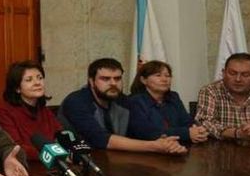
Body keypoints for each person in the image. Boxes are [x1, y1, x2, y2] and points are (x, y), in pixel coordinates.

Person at [58, 58, 187, 154]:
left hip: (116, 162)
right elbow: (101, 140)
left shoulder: (122, 100)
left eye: (117, 78)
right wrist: (154, 146)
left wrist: (167, 143)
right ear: (91, 81)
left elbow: (141, 130)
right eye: (105, 79)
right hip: (80, 164)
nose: (113, 83)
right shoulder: (76, 101)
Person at [0, 60, 64, 160]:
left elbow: (60, 135)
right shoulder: (4, 111)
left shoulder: (43, 110)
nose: (37, 83)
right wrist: (54, 155)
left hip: (52, 165)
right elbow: (16, 148)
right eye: (29, 80)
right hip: (25, 167)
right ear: (17, 88)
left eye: (40, 78)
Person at [127, 61, 208, 144]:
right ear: (143, 80)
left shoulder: (173, 97)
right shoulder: (135, 101)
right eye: (158, 75)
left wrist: (198, 130)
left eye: (167, 76)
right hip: (146, 151)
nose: (164, 79)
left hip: (177, 147)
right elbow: (147, 132)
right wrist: (187, 133)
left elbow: (186, 121)